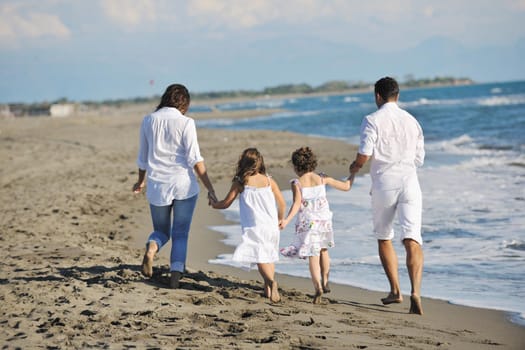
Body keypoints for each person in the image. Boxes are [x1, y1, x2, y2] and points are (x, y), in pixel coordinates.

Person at [349, 76, 425, 315]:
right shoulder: (412, 121)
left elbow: (365, 153)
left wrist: (355, 167)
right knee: (412, 238)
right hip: (410, 182)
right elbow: (419, 158)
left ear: (377, 96)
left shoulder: (372, 120)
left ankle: (395, 290)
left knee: (385, 237)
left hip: (384, 183)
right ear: (398, 96)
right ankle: (416, 292)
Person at [133, 83, 217, 289]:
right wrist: (210, 188)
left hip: (158, 185)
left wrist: (140, 180)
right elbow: (195, 159)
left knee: (161, 231)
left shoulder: (148, 120)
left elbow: (143, 158)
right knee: (180, 233)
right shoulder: (186, 122)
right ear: (184, 103)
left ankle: (152, 248)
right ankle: (175, 278)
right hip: (183, 185)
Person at [210, 148, 286, 303]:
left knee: (260, 258)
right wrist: (280, 218)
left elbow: (226, 203)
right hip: (271, 226)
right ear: (260, 163)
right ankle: (268, 289)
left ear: (243, 163)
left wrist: (214, 204)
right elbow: (282, 203)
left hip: (255, 227)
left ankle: (272, 282)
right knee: (268, 256)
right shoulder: (269, 181)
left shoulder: (241, 182)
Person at [279, 147, 354, 304]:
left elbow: (296, 204)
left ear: (296, 167)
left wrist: (286, 220)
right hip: (324, 221)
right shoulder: (322, 179)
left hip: (308, 223)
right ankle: (326, 280)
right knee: (324, 250)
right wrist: (352, 173)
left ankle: (318, 287)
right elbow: (346, 187)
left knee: (313, 255)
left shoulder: (297, 183)